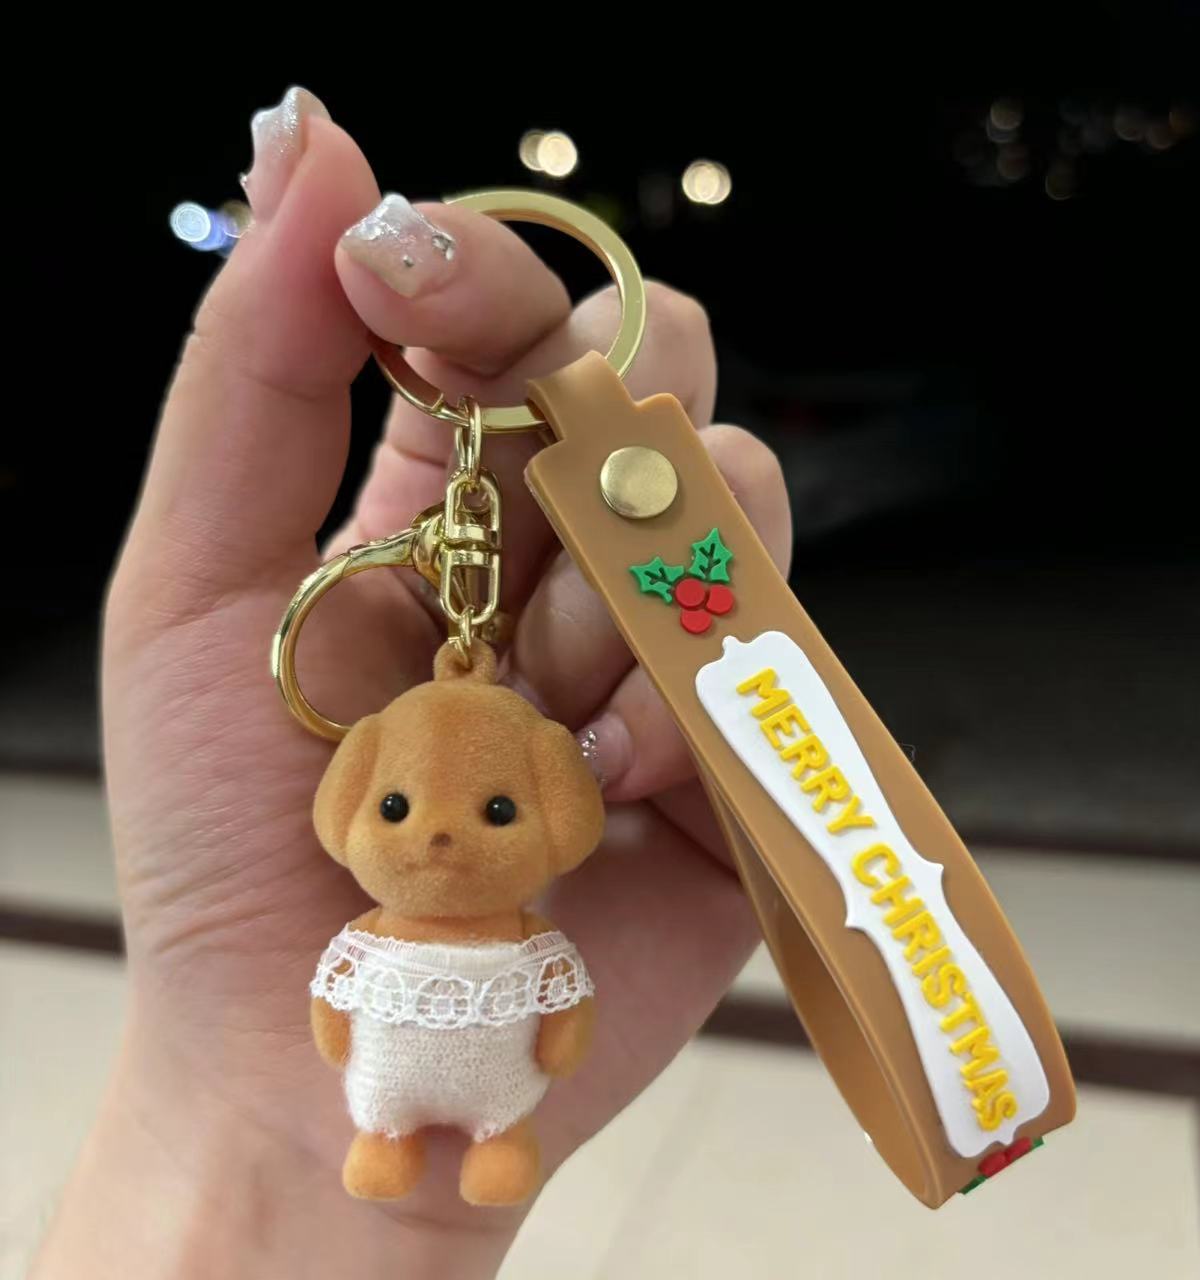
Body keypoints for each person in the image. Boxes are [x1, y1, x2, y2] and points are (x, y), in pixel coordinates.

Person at [34, 88, 791, 1278]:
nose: (436, 833)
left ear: (557, 803)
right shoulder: (373, 919)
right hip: (366, 1098)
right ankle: (383, 1138)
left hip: (486, 1092)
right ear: (349, 802)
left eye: (494, 809)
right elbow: (333, 1005)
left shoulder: (522, 924)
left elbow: (550, 1005)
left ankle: (491, 1136)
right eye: (396, 807)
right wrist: (241, 1110)